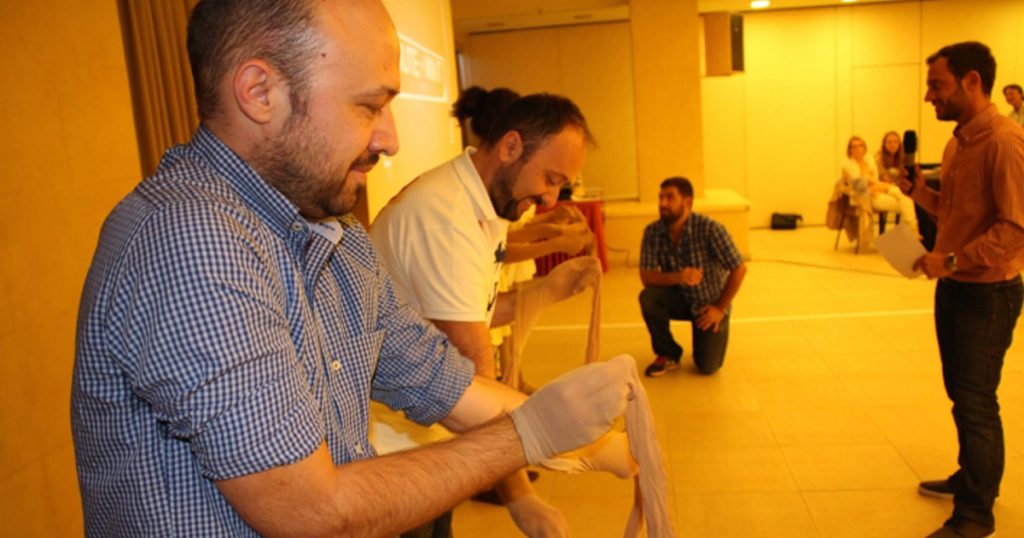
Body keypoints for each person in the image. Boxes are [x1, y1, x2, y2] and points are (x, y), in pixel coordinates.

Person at [70, 1, 633, 536]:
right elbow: (310, 511)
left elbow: (447, 384)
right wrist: (529, 434)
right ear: (259, 92)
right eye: (369, 106)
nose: (390, 139)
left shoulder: (335, 237)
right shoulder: (191, 241)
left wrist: (585, 434)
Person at [902, 41, 1024, 538]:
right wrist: (919, 195)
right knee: (961, 394)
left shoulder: (1006, 142)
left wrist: (949, 259)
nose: (929, 95)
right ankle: (969, 475)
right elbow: (957, 215)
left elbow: (1014, 230)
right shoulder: (957, 143)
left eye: (937, 85)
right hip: (954, 288)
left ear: (972, 81)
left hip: (988, 295)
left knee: (976, 401)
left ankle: (976, 515)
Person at [639, 176, 747, 377]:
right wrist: (680, 276)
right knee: (649, 297)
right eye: (660, 197)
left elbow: (739, 269)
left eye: (670, 198)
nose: (662, 203)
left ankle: (708, 337)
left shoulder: (710, 229)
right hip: (679, 299)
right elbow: (647, 277)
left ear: (687, 202)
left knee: (707, 367)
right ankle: (668, 353)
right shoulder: (653, 232)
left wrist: (719, 308)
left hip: (709, 305)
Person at [872, 131, 919, 231]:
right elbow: (883, 178)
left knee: (908, 202)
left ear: (899, 144)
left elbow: (906, 177)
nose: (892, 145)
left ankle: (908, 231)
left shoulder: (904, 158)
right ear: (884, 144)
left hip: (898, 191)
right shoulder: (878, 158)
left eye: (895, 142)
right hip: (883, 190)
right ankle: (913, 230)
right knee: (907, 202)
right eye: (889, 142)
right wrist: (895, 183)